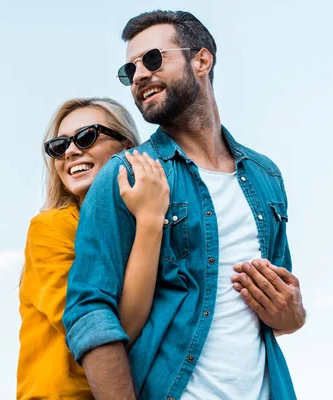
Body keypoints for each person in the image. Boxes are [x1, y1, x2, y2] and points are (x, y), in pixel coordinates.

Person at [63, 10, 305, 400]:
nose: (139, 74)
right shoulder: (124, 175)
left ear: (202, 61)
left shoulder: (266, 176)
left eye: (153, 59)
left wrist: (294, 315)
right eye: (130, 70)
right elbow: (89, 312)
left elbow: (277, 308)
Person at [16, 97, 170, 399]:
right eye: (59, 147)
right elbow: (102, 330)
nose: (71, 151)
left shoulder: (152, 228)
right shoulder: (51, 227)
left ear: (126, 147)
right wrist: (151, 222)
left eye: (86, 137)